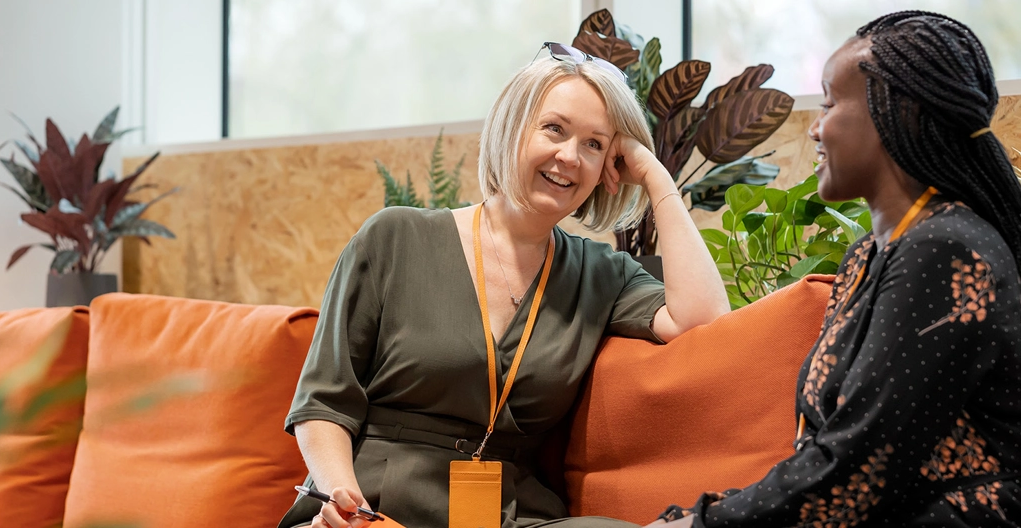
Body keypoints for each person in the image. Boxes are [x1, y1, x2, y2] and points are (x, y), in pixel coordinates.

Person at [278, 43, 730, 528]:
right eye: (554, 129)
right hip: (375, 503)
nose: (569, 157)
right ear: (512, 129)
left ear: (608, 171)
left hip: (508, 514)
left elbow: (704, 320)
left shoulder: (602, 274)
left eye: (595, 144)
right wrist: (344, 501)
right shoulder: (395, 238)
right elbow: (324, 402)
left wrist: (655, 175)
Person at [652, 11, 1021, 527]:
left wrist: (702, 523)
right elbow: (832, 455)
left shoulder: (946, 251)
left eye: (828, 103)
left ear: (896, 111)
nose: (815, 129)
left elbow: (860, 466)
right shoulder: (868, 256)